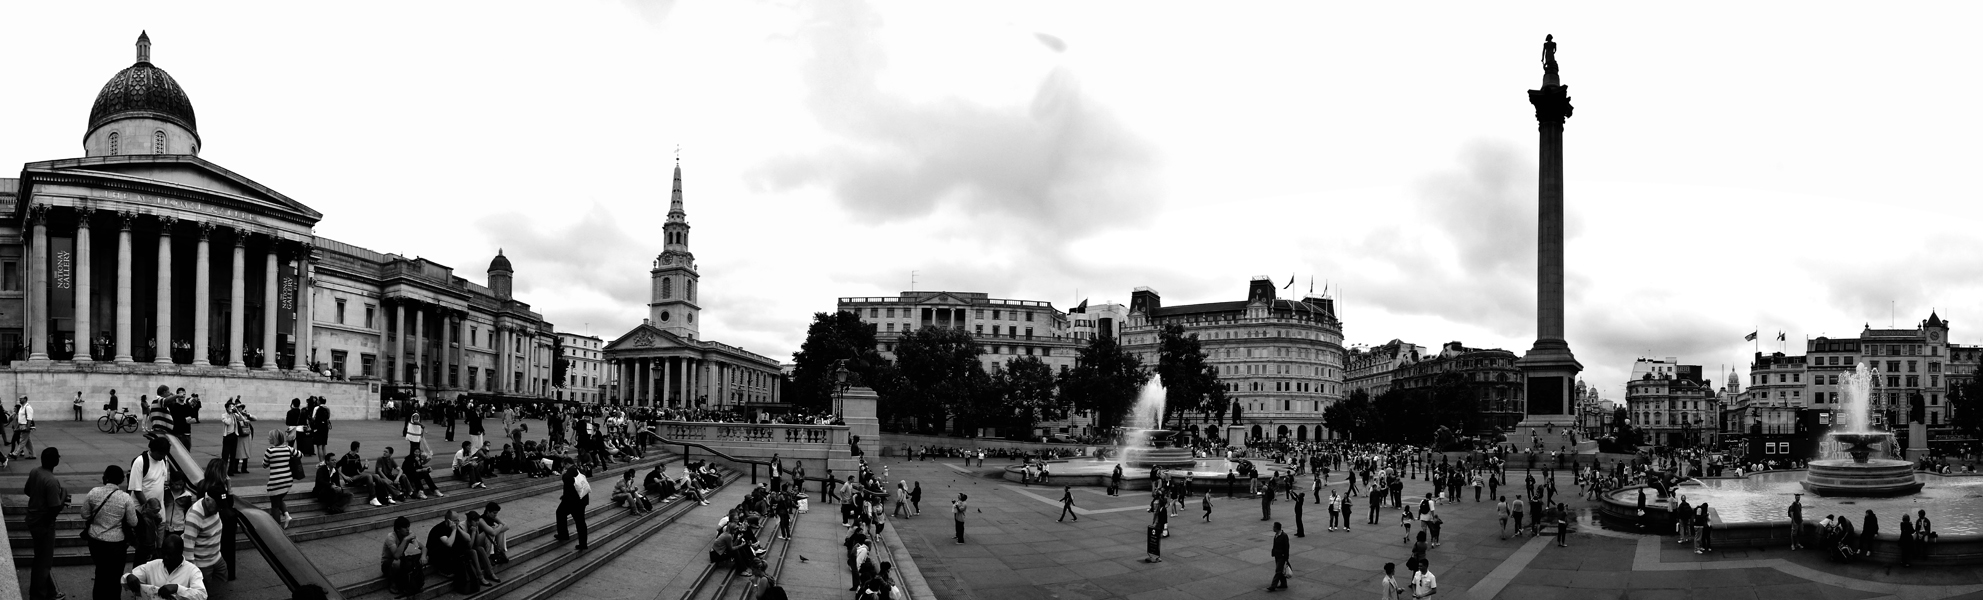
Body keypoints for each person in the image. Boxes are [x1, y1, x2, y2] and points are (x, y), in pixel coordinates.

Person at [86, 465, 142, 600]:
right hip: (116, 544)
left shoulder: (93, 492)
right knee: (115, 576)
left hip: (96, 540)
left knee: (100, 572)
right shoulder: (125, 498)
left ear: (104, 477)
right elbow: (133, 522)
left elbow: (84, 514)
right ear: (121, 480)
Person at [25, 446, 67, 600]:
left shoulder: (35, 471)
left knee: (41, 558)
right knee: (43, 563)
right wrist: (63, 495)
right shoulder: (51, 480)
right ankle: (39, 595)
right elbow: (55, 508)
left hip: (32, 519)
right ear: (54, 461)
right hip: (44, 524)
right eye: (57, 456)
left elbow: (27, 491)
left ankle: (50, 591)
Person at [124, 538, 208, 600]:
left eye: (170, 555)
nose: (165, 557)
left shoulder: (192, 571)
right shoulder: (152, 565)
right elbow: (125, 579)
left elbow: (202, 595)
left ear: (180, 552)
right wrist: (128, 576)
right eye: (163, 553)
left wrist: (177, 588)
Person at [381, 516, 425, 595]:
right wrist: (405, 539)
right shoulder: (391, 537)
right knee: (396, 562)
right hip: (387, 564)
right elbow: (396, 555)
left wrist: (423, 556)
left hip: (401, 560)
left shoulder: (408, 534)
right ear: (398, 529)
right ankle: (393, 583)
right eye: (405, 527)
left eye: (408, 527)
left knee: (418, 559)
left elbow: (423, 548)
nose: (408, 529)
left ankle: (416, 583)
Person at [557, 464, 591, 550]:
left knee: (560, 513)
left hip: (573, 502)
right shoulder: (578, 470)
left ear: (567, 464)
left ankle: (563, 534)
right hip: (582, 499)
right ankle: (583, 543)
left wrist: (563, 474)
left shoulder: (569, 473)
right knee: (581, 523)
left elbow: (567, 480)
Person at [1267, 521, 1290, 591]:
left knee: (1278, 571)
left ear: (1276, 528)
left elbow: (1287, 547)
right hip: (1277, 555)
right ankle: (1284, 583)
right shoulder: (1277, 535)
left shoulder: (1284, 536)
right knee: (1280, 570)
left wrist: (1286, 558)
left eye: (1274, 527)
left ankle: (1273, 586)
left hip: (1282, 556)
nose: (1273, 528)